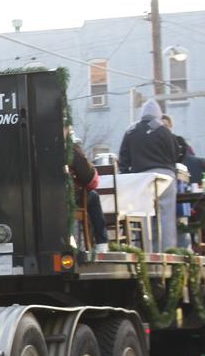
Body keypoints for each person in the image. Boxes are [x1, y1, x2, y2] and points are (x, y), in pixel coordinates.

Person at [118, 99, 180, 249]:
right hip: (165, 177)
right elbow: (175, 153)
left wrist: (128, 175)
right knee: (166, 217)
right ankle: (168, 249)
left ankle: (146, 250)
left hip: (141, 179)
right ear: (158, 115)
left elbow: (123, 159)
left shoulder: (131, 131)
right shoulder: (163, 130)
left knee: (144, 214)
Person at [67, 127, 108, 252]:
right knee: (93, 196)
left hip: (46, 199)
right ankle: (101, 243)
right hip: (68, 199)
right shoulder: (70, 149)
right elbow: (88, 178)